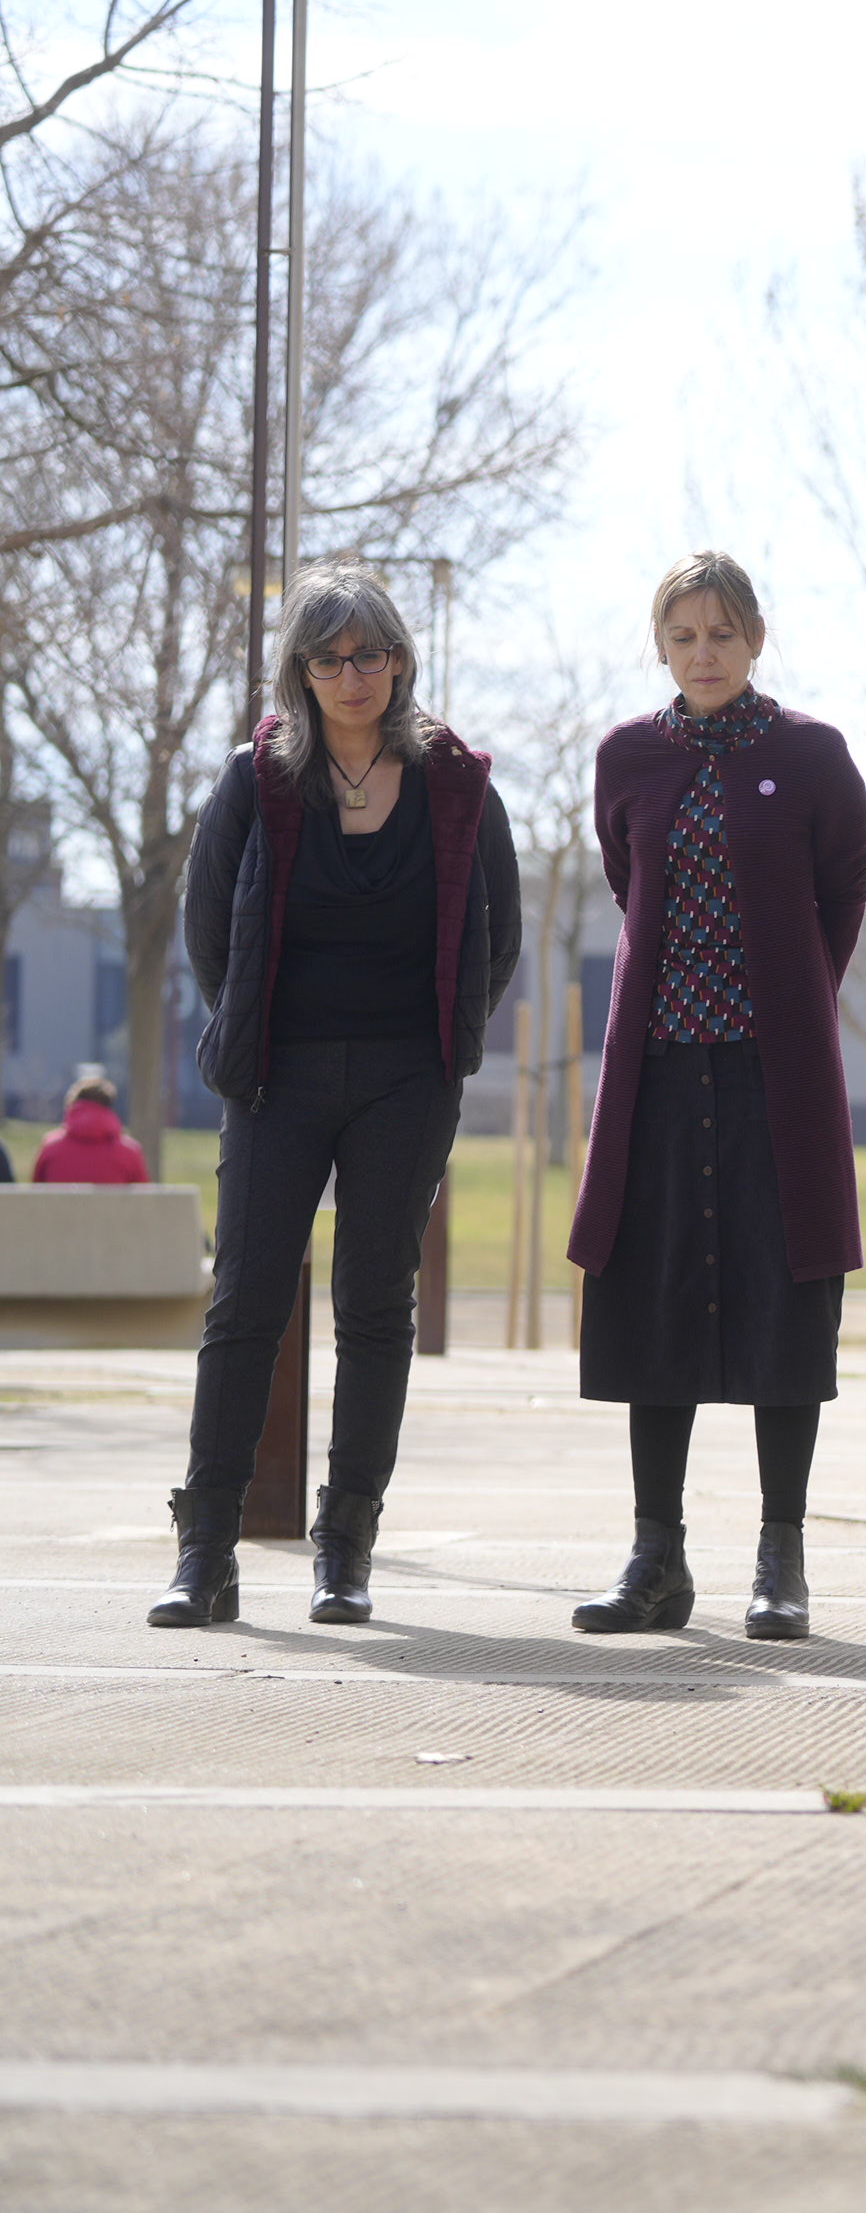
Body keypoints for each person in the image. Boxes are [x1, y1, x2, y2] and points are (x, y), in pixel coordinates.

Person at [162, 563, 521, 1629]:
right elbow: (206, 926)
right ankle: (205, 1548)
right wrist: (251, 1030)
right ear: (301, 673)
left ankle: (346, 1543)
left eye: (371, 653)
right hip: (280, 1075)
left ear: (402, 661)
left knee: (374, 1306)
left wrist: (444, 1048)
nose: (352, 673)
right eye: (330, 657)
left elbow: (493, 936)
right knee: (245, 1304)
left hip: (407, 1080)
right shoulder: (257, 778)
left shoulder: (458, 782)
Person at [565, 554, 866, 1640]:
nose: (705, 653)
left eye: (724, 633)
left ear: (755, 640)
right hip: (656, 1072)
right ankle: (657, 1556)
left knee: (783, 1301)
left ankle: (780, 1556)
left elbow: (843, 891)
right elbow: (624, 876)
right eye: (685, 634)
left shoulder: (813, 755)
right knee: (656, 1302)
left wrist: (787, 995)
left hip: (771, 1077)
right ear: (661, 643)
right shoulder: (627, 758)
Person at [33, 1076, 151, 1184]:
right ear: (109, 1109)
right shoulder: (130, 1152)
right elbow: (144, 1200)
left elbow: (35, 1192)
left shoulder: (50, 1147)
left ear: (72, 1106)